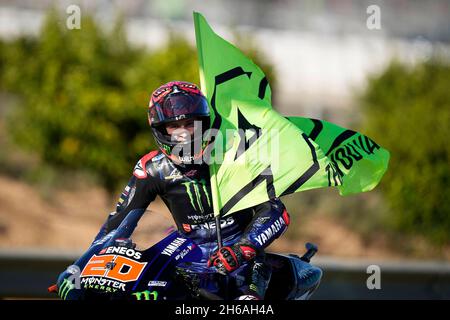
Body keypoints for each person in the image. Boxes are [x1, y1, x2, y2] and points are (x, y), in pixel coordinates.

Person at [57, 81, 290, 300]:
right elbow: (116, 224)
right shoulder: (151, 169)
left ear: (203, 124)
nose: (184, 133)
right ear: (161, 129)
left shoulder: (236, 157)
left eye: (190, 124)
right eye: (175, 126)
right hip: (187, 266)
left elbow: (276, 211)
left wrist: (244, 247)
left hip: (243, 263)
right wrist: (80, 269)